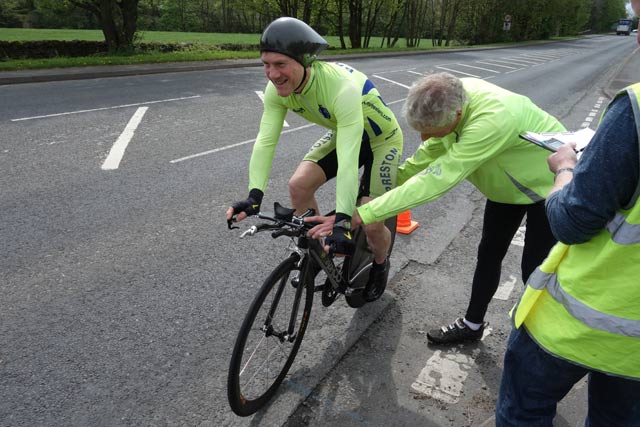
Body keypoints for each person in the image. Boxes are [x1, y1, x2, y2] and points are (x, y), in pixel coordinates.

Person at [495, 2, 640, 423]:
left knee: (524, 411)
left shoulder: (634, 108)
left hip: (583, 319)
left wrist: (566, 169)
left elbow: (572, 221)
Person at [352, 72, 566, 343]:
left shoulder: (492, 120)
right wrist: (390, 179)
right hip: (506, 187)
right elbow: (431, 151)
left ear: (456, 115)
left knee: (534, 267)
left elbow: (437, 179)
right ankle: (472, 325)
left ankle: (538, 340)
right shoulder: (454, 100)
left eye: (428, 130)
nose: (423, 136)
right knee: (488, 254)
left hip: (547, 184)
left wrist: (370, 211)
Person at [226, 17, 403, 300]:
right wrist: (254, 195)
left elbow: (347, 160)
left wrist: (344, 220)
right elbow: (266, 140)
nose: (272, 74)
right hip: (345, 131)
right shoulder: (277, 91)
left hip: (382, 140)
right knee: (298, 185)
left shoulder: (339, 87)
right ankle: (321, 255)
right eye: (266, 64)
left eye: (280, 64)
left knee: (370, 223)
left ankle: (380, 265)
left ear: (304, 61)